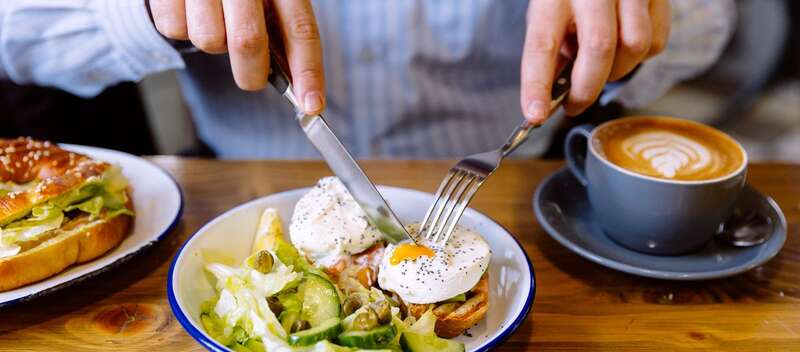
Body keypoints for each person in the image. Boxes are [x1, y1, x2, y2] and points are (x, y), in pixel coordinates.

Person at [0, 0, 734, 158]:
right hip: (235, 195)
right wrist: (147, 8)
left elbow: (715, 19)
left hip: (524, 202)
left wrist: (647, 16)